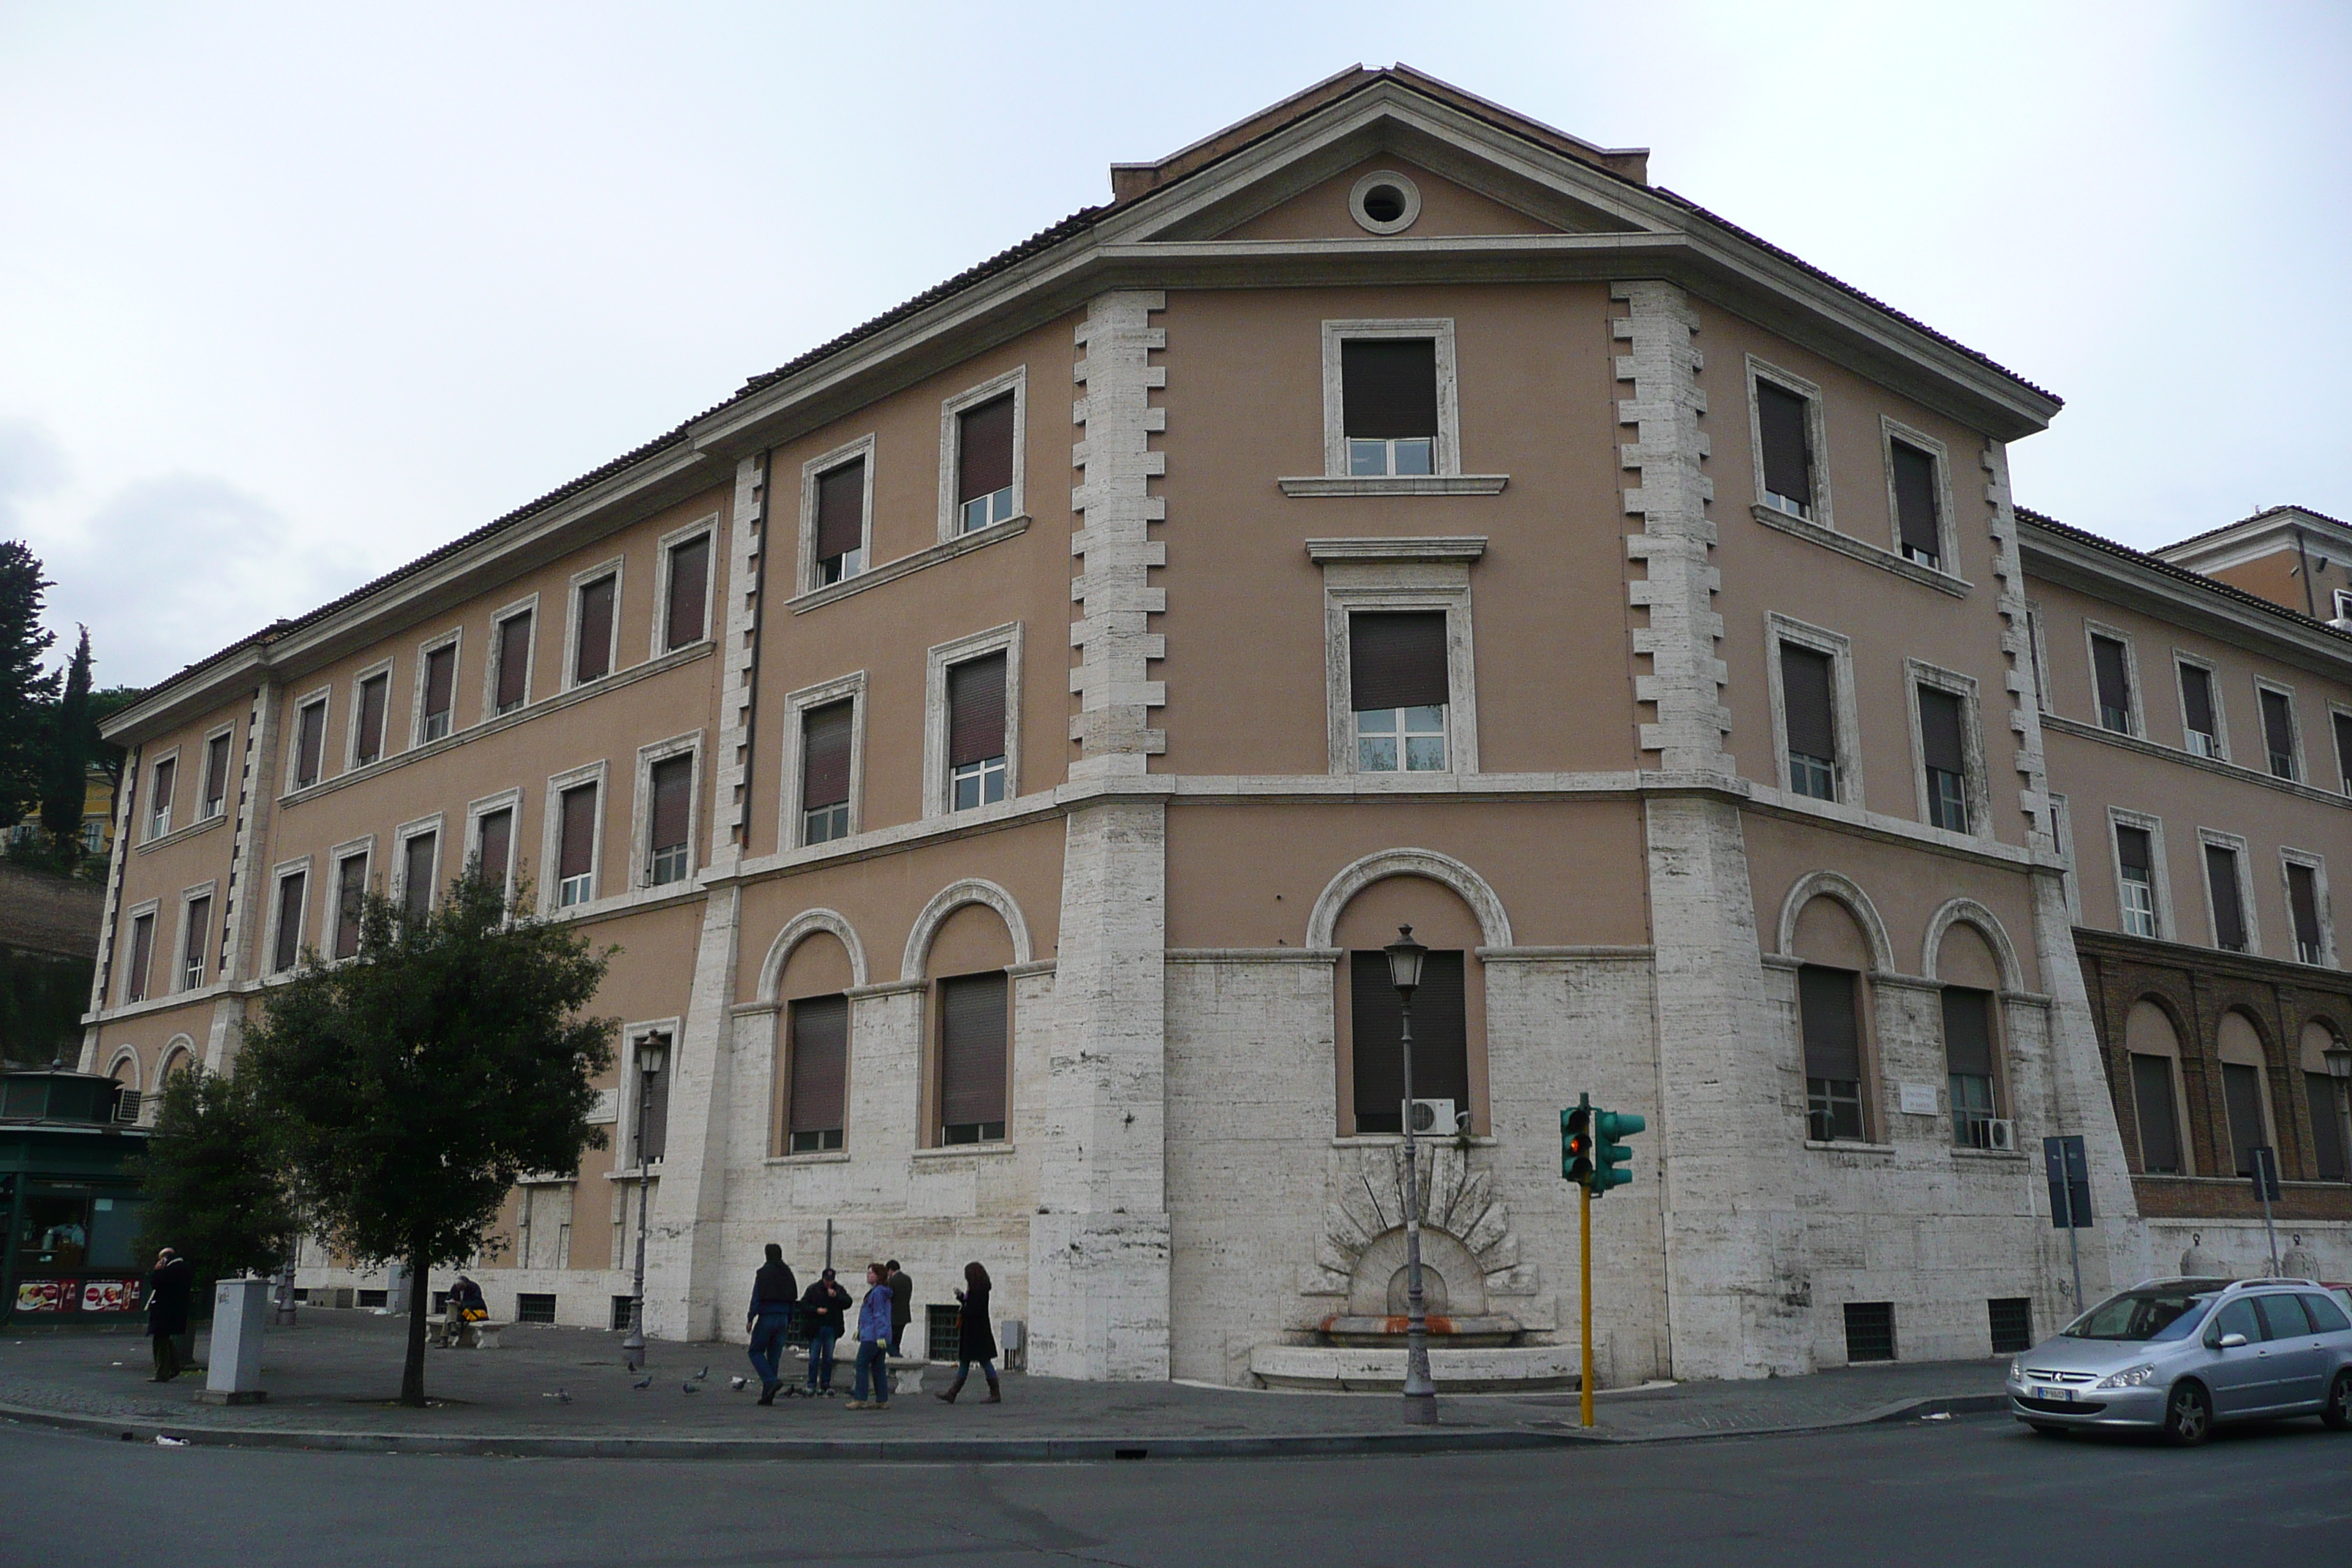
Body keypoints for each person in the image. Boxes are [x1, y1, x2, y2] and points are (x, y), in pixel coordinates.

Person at [935, 1260, 1000, 1404]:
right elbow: (970, 1303)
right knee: (971, 1361)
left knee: (981, 1361)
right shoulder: (980, 1289)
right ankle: (953, 1393)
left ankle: (994, 1393)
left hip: (975, 1331)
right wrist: (961, 1297)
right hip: (977, 1331)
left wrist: (963, 1309)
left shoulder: (978, 1291)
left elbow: (974, 1309)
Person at [745, 1243, 799, 1406]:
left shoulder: (763, 1273)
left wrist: (750, 1318)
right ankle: (767, 1396)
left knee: (755, 1351)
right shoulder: (788, 1274)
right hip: (783, 1317)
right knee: (774, 1357)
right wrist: (789, 1319)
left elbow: (756, 1297)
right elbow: (793, 1300)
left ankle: (771, 1381)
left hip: (767, 1316)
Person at [847, 1263, 894, 1410]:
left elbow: (878, 1314)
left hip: (873, 1336)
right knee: (878, 1367)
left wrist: (879, 1334)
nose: (868, 1276)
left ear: (879, 1276)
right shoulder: (880, 1291)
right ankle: (882, 1399)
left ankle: (860, 1398)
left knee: (861, 1364)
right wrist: (860, 1330)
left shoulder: (877, 1292)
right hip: (876, 1334)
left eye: (871, 1273)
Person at [799, 1267, 852, 1397]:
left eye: (832, 1280)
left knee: (828, 1358)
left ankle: (826, 1384)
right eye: (827, 1280)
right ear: (823, 1279)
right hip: (816, 1328)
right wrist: (816, 1310)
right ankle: (811, 1384)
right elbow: (803, 1305)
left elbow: (848, 1302)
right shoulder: (813, 1289)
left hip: (831, 1327)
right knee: (814, 1358)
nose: (830, 1283)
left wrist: (836, 1296)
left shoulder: (838, 1289)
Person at [145, 1247, 192, 1382]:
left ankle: (163, 1371)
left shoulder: (170, 1270)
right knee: (164, 1338)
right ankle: (173, 1366)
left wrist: (157, 1271)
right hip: (175, 1309)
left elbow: (156, 1283)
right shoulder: (183, 1268)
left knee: (160, 1339)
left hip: (164, 1309)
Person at [885, 1259, 913, 1357]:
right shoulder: (908, 1279)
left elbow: (888, 1298)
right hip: (904, 1315)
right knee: (897, 1342)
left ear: (890, 1270)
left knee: (888, 1342)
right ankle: (895, 1365)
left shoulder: (891, 1281)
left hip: (893, 1316)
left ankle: (897, 1358)